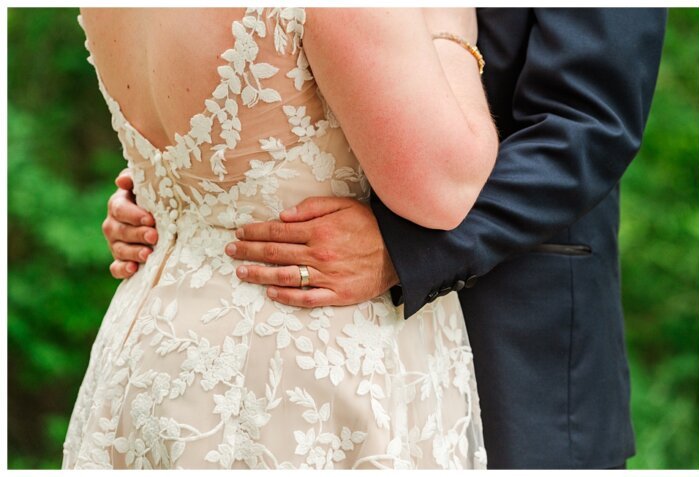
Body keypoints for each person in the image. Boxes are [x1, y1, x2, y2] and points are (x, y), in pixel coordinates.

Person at [98, 8, 667, 469]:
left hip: (515, 343)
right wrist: (171, 204)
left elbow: (589, 123)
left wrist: (405, 250)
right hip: (309, 354)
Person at [65, 8, 498, 469]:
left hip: (149, 350)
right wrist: (448, 30)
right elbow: (444, 188)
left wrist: (165, 203)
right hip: (299, 379)